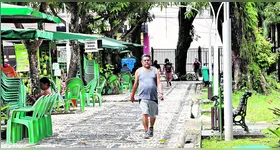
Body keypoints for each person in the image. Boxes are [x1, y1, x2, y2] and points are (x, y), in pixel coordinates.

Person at [130, 54, 163, 139]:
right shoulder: (139, 71)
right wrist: (132, 95)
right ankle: (146, 131)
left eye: (148, 60)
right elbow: (135, 84)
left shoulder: (155, 70)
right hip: (142, 96)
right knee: (144, 112)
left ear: (150, 61)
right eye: (145, 60)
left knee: (152, 115)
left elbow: (158, 82)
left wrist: (160, 93)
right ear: (142, 62)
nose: (146, 62)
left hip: (153, 96)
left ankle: (151, 128)